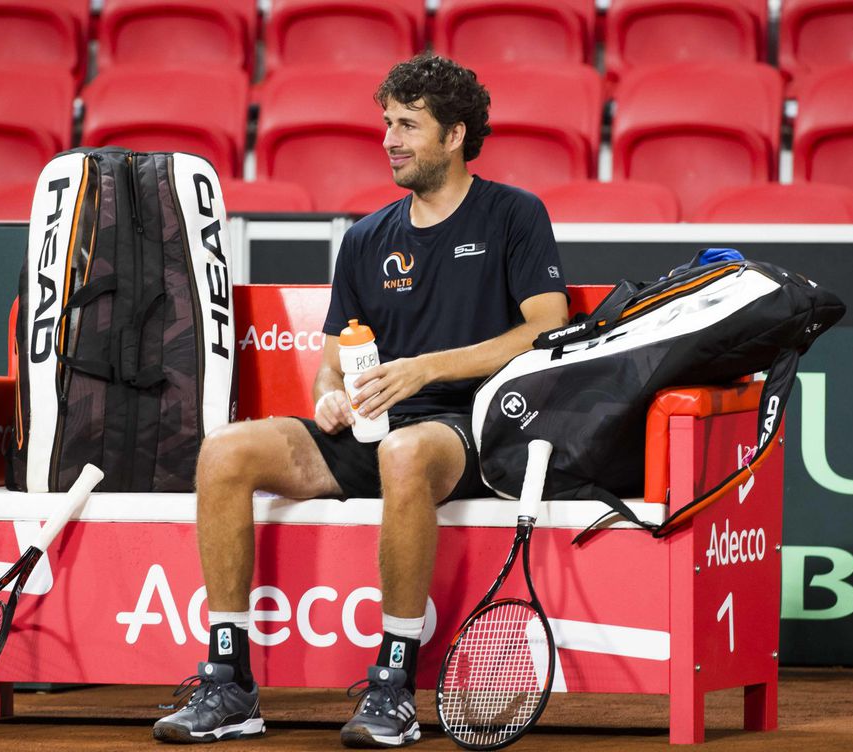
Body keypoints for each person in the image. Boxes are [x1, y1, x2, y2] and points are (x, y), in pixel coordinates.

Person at [153, 53, 570, 748]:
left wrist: (424, 370)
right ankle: (228, 682)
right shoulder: (365, 238)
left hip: (471, 428)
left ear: (455, 135)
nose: (390, 139)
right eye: (386, 123)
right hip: (375, 428)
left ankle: (392, 684)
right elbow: (332, 362)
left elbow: (546, 328)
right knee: (226, 449)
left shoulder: (513, 215)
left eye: (408, 125)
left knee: (405, 451)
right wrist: (330, 401)